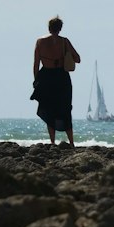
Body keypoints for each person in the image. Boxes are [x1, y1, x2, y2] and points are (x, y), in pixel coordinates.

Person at [32, 16, 80, 147]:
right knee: (65, 109)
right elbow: (77, 59)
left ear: (49, 28)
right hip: (61, 77)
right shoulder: (64, 42)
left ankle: (52, 142)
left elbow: (36, 64)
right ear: (60, 28)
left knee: (49, 109)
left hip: (46, 76)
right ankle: (71, 142)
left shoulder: (40, 42)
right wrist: (65, 56)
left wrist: (36, 80)